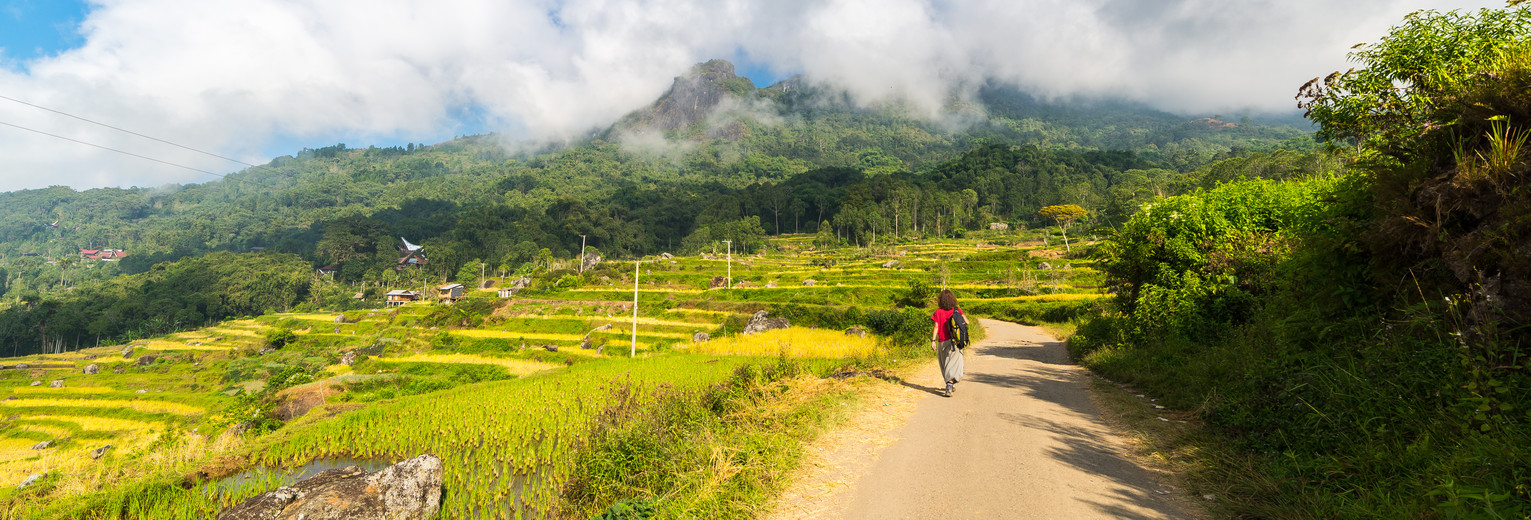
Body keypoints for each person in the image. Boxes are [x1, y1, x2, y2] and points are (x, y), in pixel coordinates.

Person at [930, 289, 966, 397]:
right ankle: (950, 384)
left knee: (944, 363)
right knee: (954, 362)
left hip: (942, 341)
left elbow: (936, 326)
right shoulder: (957, 310)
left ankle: (949, 383)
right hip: (955, 341)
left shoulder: (937, 312)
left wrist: (933, 341)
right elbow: (966, 322)